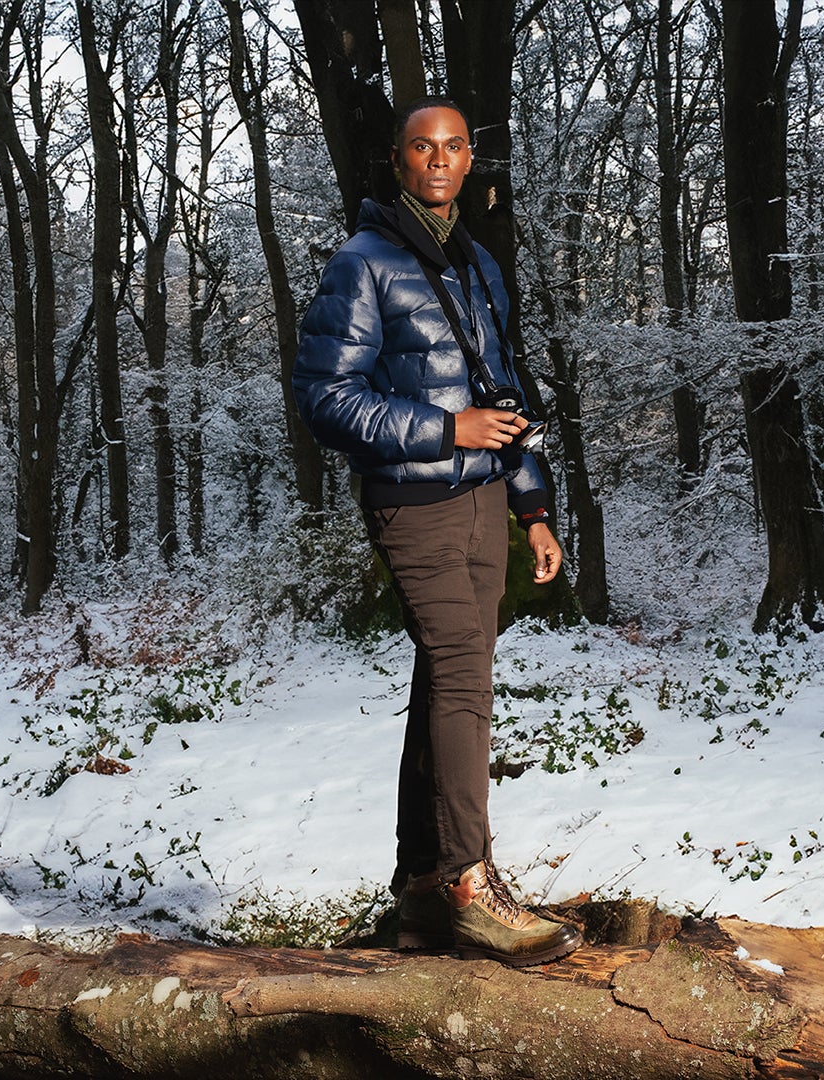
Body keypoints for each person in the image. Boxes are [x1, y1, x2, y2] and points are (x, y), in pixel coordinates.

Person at [293, 98, 581, 967]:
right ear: (398, 159)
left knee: (445, 675)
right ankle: (467, 882)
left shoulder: (478, 263)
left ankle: (421, 887)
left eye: (455, 147)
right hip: (414, 501)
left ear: (469, 160)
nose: (441, 161)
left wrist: (533, 505)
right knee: (461, 668)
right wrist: (442, 430)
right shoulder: (362, 263)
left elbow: (504, 393)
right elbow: (324, 400)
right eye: (424, 147)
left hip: (489, 499)